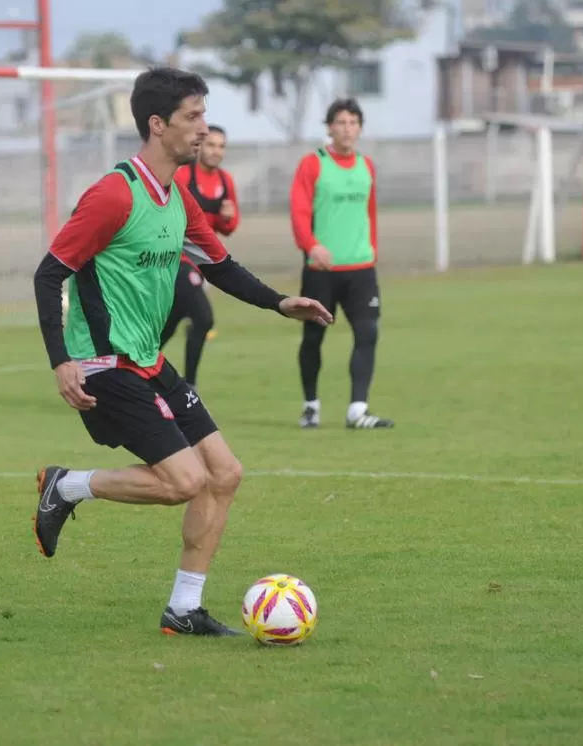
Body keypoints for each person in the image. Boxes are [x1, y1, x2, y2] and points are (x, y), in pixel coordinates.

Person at [32, 67, 333, 637]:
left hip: (148, 359)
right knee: (183, 481)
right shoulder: (112, 195)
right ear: (157, 124)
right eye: (193, 117)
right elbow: (49, 274)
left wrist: (278, 302)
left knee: (224, 473)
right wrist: (60, 360)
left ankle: (184, 609)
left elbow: (217, 264)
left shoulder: (177, 197)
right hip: (104, 363)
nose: (203, 129)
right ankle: (65, 486)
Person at [290, 98, 394, 431]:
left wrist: (372, 251)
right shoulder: (312, 164)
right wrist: (311, 246)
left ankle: (357, 410)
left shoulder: (367, 166)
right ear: (330, 127)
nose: (347, 129)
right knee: (313, 339)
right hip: (322, 271)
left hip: (361, 269)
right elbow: (299, 212)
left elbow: (371, 212)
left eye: (353, 122)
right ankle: (311, 405)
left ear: (360, 128)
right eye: (341, 122)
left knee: (368, 333)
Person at [159, 125, 240, 388]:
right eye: (211, 144)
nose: (216, 151)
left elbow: (228, 228)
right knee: (203, 318)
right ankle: (189, 386)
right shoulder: (182, 175)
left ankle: (127, 365)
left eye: (221, 146)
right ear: (200, 146)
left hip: (203, 265)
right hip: (177, 261)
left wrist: (227, 217)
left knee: (169, 324)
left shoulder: (225, 182)